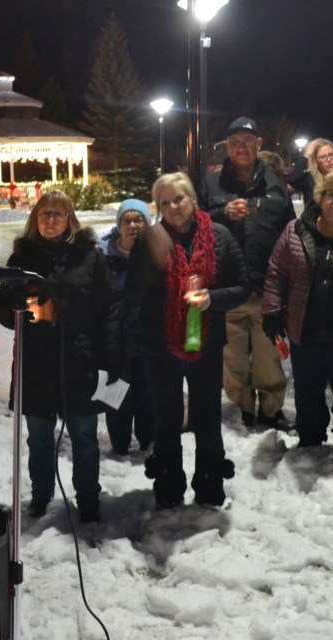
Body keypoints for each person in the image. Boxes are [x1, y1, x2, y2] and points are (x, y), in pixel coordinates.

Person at [0, 190, 120, 523]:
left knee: (83, 435)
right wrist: (21, 310)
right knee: (38, 436)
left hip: (81, 360)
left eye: (58, 214)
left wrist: (110, 356)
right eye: (44, 214)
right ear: (36, 218)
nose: (50, 220)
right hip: (37, 362)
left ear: (70, 219)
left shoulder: (90, 257)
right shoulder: (21, 258)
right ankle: (40, 494)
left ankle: (88, 498)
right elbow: (2, 310)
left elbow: (109, 308)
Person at [124, 173, 249, 508]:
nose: (173, 207)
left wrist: (212, 298)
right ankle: (168, 486)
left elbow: (242, 287)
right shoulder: (152, 237)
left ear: (193, 199)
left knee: (207, 417)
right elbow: (134, 294)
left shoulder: (219, 236)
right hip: (159, 345)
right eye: (164, 202)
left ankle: (209, 486)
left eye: (178, 199)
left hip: (206, 343)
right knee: (166, 419)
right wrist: (144, 255)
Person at [262, 168, 333, 454]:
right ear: (320, 197)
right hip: (307, 331)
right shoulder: (296, 230)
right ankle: (310, 443)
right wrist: (272, 310)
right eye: (331, 195)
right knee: (308, 392)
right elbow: (277, 273)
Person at [202, 116, 296, 430]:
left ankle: (271, 412)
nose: (241, 147)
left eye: (247, 141)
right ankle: (241, 408)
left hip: (267, 287)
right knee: (234, 359)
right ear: (226, 147)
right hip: (228, 288)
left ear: (259, 145)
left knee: (269, 358)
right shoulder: (212, 184)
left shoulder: (274, 184)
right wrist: (222, 214)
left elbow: (290, 230)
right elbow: (198, 226)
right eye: (234, 142)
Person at [99, 198, 155, 456]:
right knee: (115, 392)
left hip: (147, 337)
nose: (133, 225)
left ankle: (147, 441)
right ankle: (119, 444)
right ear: (119, 225)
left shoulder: (157, 254)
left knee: (147, 392)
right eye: (127, 220)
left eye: (139, 219)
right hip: (114, 339)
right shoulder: (103, 257)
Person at [287, 138, 333, 208]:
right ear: (316, 161)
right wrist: (307, 156)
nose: (329, 160)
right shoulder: (310, 180)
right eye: (323, 157)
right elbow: (292, 179)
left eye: (331, 155)